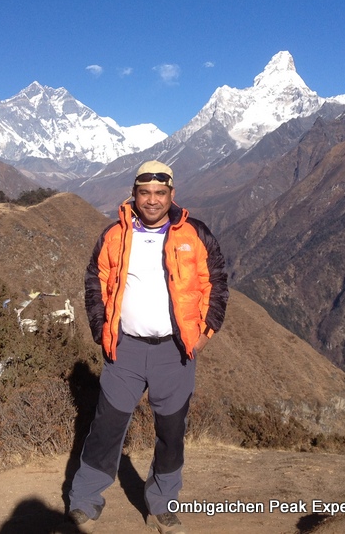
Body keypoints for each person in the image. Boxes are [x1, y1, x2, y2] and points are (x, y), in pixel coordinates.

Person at [68, 160, 229, 534]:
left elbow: (216, 282)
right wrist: (100, 329)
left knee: (171, 431)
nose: (152, 200)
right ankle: (85, 501)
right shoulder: (114, 235)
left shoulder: (195, 233)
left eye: (160, 193)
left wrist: (207, 331)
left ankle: (162, 504)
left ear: (172, 195)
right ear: (134, 194)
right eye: (145, 193)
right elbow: (96, 281)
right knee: (107, 427)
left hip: (174, 351)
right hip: (125, 351)